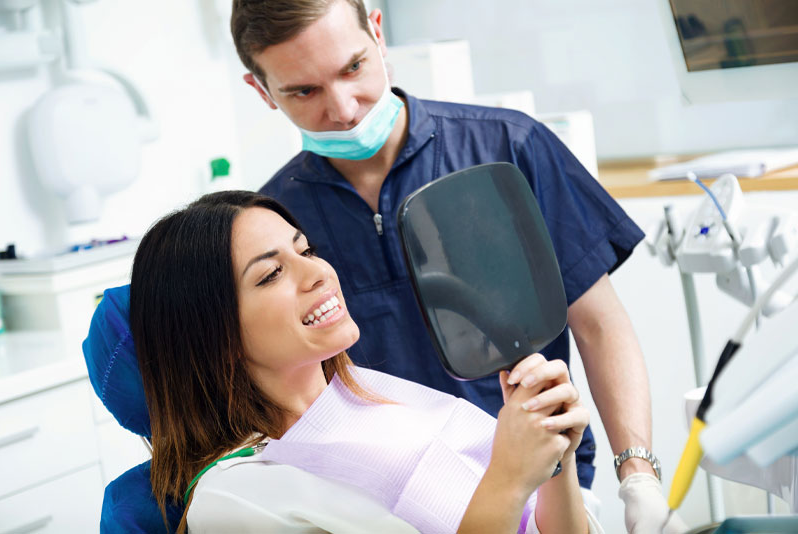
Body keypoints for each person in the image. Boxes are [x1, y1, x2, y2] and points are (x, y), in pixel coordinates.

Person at [230, 1, 687, 532]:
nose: (345, 109)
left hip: (548, 486)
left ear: (377, 32)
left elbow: (599, 324)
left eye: (353, 68)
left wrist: (637, 475)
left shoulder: (507, 149)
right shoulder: (278, 228)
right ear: (262, 90)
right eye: (304, 92)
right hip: (394, 508)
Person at [130, 190, 603, 533]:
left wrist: (554, 457)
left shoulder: (377, 395)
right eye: (272, 273)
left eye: (306, 250)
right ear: (214, 334)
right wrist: (510, 477)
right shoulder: (233, 499)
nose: (318, 272)